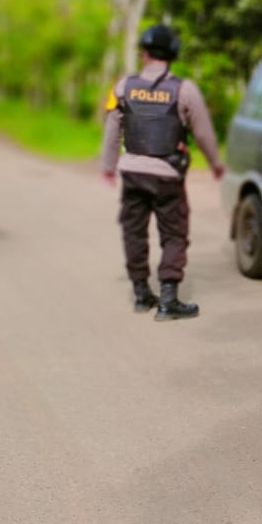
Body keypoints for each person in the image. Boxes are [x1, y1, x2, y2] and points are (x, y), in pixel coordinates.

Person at [100, 24, 225, 319]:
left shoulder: (122, 87)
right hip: (167, 173)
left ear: (143, 53)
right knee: (173, 233)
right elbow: (204, 133)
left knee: (133, 231)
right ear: (172, 55)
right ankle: (169, 299)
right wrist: (216, 164)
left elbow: (111, 131)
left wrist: (108, 167)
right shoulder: (184, 89)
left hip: (131, 171)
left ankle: (142, 294)